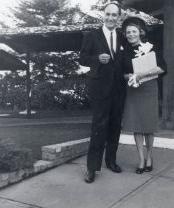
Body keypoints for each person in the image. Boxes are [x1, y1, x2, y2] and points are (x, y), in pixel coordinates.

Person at [79, 2, 126, 183]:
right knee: (99, 126)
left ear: (119, 17)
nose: (111, 18)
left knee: (115, 125)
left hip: (119, 89)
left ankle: (111, 161)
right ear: (103, 15)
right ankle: (92, 168)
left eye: (115, 15)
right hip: (100, 88)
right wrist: (97, 59)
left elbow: (126, 61)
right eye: (108, 14)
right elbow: (82, 58)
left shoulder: (122, 37)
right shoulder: (92, 36)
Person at [121, 17, 167, 174]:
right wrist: (130, 77)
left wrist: (143, 74)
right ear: (125, 34)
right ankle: (141, 159)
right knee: (137, 126)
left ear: (140, 32)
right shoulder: (124, 51)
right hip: (134, 90)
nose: (131, 34)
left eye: (133, 31)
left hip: (149, 89)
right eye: (128, 32)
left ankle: (149, 157)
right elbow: (122, 73)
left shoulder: (151, 47)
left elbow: (163, 68)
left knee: (148, 126)